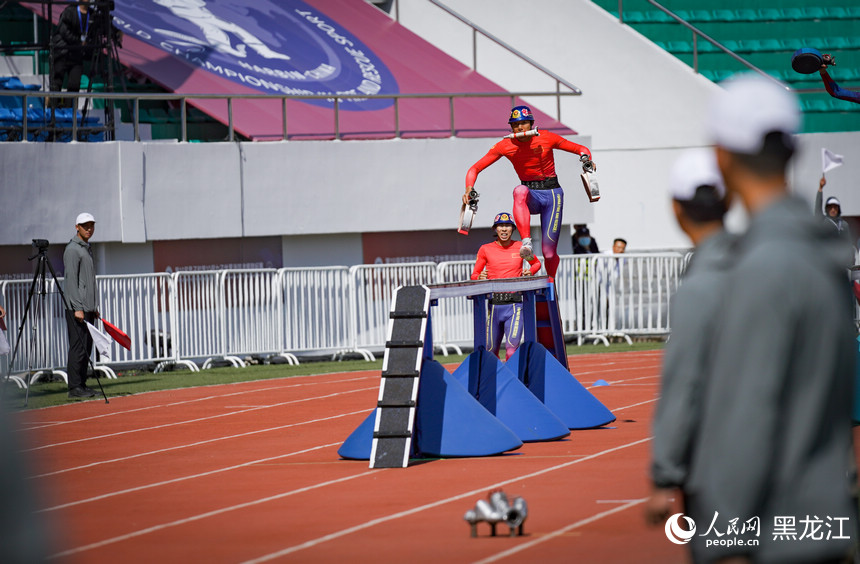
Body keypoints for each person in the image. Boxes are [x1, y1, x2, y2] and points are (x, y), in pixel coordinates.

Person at [683, 74, 858, 563]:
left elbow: (748, 417)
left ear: (722, 155)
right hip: (827, 517)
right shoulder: (824, 254)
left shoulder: (760, 267)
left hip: (779, 534)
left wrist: (716, 539)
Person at [645, 149, 736, 531]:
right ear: (728, 201)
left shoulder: (698, 285)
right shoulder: (774, 262)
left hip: (722, 464)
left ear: (676, 209)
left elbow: (684, 383)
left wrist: (664, 473)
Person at [463, 105, 596, 280]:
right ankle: (526, 243)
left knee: (548, 253)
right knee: (519, 190)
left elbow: (581, 149)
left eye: (524, 123)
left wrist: (587, 160)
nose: (520, 127)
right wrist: (469, 188)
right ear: (511, 127)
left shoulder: (546, 137)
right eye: (516, 124)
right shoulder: (505, 145)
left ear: (532, 124)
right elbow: (475, 168)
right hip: (530, 194)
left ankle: (550, 282)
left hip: (552, 195)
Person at [471, 212, 541, 360]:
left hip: (515, 306)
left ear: (513, 229)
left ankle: (513, 382)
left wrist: (530, 272)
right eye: (500, 226)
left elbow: (536, 263)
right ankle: (495, 382)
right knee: (490, 353)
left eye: (507, 226)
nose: (504, 229)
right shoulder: (485, 249)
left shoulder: (521, 247)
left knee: (511, 351)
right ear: (495, 229)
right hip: (494, 306)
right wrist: (479, 277)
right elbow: (474, 275)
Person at [49, 0, 121, 109]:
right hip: (62, 52)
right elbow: (63, 31)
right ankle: (53, 112)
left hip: (77, 55)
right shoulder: (69, 11)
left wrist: (116, 32)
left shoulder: (92, 15)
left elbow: (104, 26)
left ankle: (70, 113)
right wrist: (79, 42)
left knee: (74, 85)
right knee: (56, 83)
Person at [63, 212, 100, 399]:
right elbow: (71, 282)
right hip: (77, 308)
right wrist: (78, 307)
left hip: (87, 307)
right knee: (78, 347)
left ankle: (82, 385)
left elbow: (87, 281)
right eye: (85, 226)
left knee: (86, 347)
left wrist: (93, 306)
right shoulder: (73, 250)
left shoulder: (86, 248)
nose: (89, 229)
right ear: (77, 227)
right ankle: (74, 387)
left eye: (91, 225)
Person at [815, 175, 856, 253]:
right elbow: (817, 208)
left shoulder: (844, 224)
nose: (833, 210)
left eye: (835, 207)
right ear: (827, 208)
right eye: (830, 207)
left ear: (838, 208)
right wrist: (820, 188)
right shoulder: (823, 220)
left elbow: (848, 243)